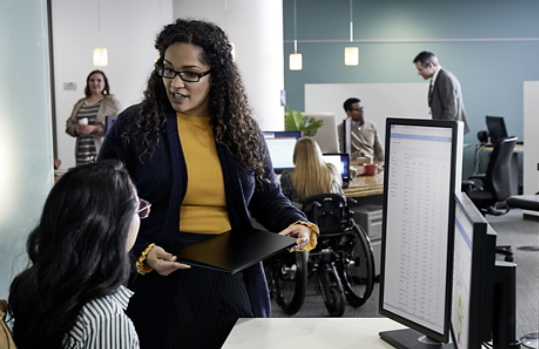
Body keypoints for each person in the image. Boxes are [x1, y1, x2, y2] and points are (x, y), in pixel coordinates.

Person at [97, 18, 318, 349]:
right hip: (161, 265)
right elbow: (102, 203)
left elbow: (267, 196)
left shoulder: (241, 129)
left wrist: (294, 222)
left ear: (217, 77)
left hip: (231, 263)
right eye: (168, 70)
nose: (175, 83)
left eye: (190, 73)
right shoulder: (134, 126)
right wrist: (143, 250)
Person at [8, 160, 144, 348]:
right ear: (114, 227)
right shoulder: (105, 321)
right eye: (138, 209)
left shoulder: (35, 285)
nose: (140, 217)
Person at [66, 70, 122, 166]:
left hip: (101, 151)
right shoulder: (80, 103)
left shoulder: (112, 102)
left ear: (105, 83)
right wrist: (75, 129)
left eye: (99, 80)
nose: (95, 83)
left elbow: (119, 123)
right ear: (88, 83)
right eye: (92, 80)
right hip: (82, 153)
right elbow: (69, 123)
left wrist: (96, 128)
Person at [413, 51, 470, 134]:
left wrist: (442, 132)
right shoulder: (437, 78)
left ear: (430, 65)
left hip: (449, 131)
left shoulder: (445, 78)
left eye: (420, 69)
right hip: (446, 129)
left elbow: (450, 110)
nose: (419, 73)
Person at [280, 137, 343, 207]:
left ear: (296, 155)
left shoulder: (288, 175)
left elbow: (284, 203)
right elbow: (342, 200)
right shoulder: (332, 170)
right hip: (329, 216)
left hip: (302, 217)